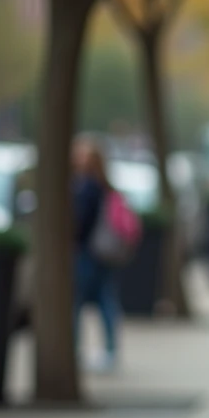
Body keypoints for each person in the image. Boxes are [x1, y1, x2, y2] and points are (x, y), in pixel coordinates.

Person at [72, 136, 122, 372]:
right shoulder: (104, 185)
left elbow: (82, 222)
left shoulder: (87, 186)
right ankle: (111, 350)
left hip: (87, 253)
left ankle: (76, 351)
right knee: (104, 300)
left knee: (78, 302)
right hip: (103, 252)